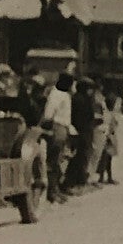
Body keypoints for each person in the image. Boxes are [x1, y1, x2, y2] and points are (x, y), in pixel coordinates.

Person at [40, 73, 74, 203]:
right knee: (53, 161)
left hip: (63, 129)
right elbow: (49, 114)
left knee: (59, 161)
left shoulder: (64, 95)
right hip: (57, 128)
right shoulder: (56, 95)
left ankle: (55, 189)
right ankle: (51, 191)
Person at [66, 76, 99, 192]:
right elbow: (83, 117)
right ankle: (74, 182)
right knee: (79, 158)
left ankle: (78, 181)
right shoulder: (81, 100)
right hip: (81, 132)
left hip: (83, 132)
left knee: (81, 158)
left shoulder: (80, 98)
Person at [97, 99, 120, 184]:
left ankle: (103, 177)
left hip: (108, 138)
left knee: (105, 159)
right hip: (109, 139)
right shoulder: (109, 114)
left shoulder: (106, 113)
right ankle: (104, 177)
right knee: (106, 159)